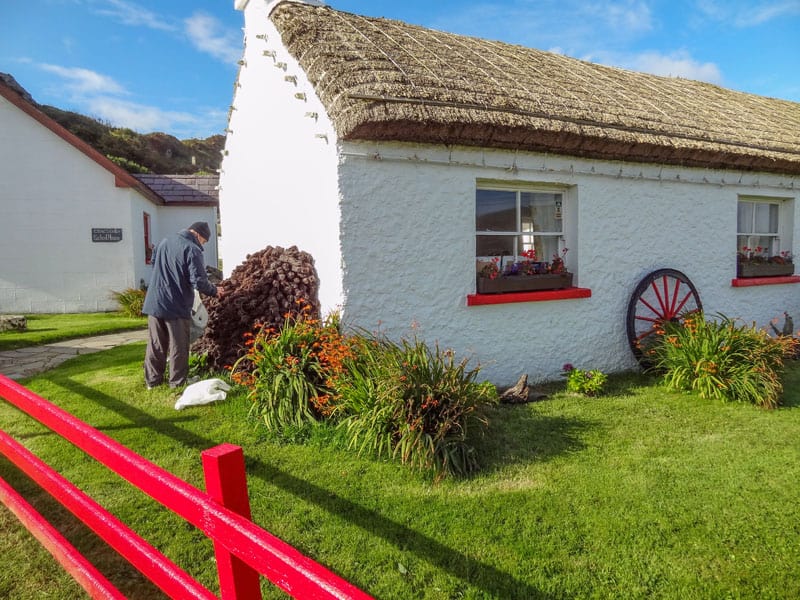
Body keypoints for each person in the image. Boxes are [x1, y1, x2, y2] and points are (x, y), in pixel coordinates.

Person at [143, 221, 224, 389]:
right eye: (203, 242)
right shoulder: (192, 249)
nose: (202, 245)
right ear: (198, 235)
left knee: (156, 343)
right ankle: (177, 383)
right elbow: (199, 282)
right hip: (176, 304)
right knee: (178, 344)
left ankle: (152, 382)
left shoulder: (164, 241)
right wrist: (215, 291)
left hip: (155, 300)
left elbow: (154, 264)